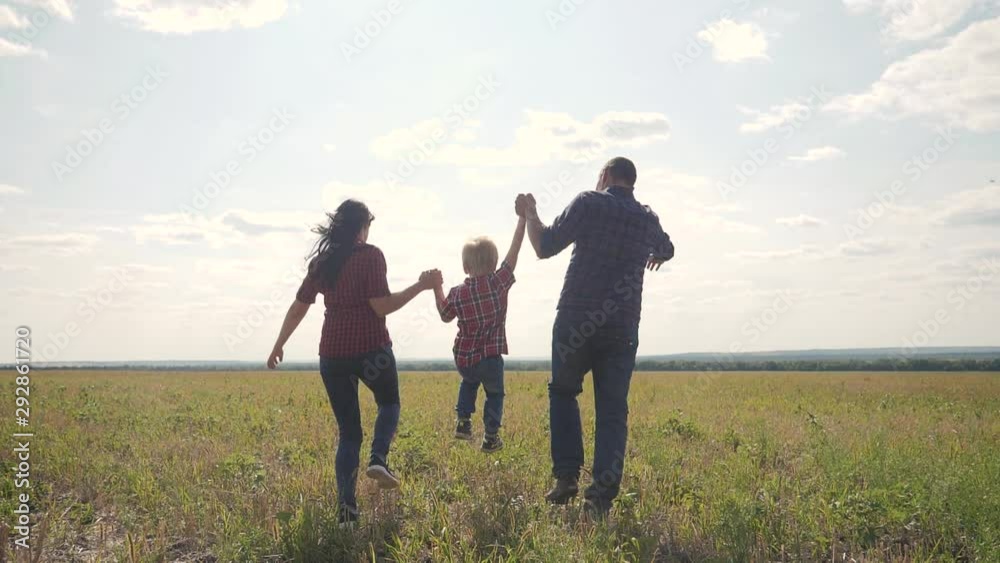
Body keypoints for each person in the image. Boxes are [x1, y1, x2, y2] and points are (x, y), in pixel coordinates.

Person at [265, 199, 441, 526]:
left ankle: (347, 514)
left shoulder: (323, 262)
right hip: (372, 350)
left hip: (333, 355)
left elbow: (298, 307)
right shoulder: (371, 256)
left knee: (349, 434)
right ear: (363, 227)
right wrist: (422, 286)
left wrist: (279, 344)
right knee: (389, 403)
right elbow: (382, 306)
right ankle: (378, 458)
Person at [517, 156, 674, 518]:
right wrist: (656, 255)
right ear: (632, 181)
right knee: (613, 410)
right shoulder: (647, 218)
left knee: (563, 392)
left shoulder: (588, 201)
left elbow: (544, 246)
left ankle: (566, 477)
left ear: (605, 175)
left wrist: (531, 214)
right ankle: (600, 499)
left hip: (576, 317)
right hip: (622, 325)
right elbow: (667, 248)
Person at [434, 213, 527, 452]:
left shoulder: (457, 292)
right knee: (494, 394)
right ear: (495, 264)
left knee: (469, 382)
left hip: (464, 358)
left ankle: (463, 422)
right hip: (491, 358)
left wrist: (436, 287)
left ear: (465, 267)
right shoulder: (498, 283)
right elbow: (514, 253)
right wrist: (522, 220)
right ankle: (491, 437)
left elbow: (445, 315)